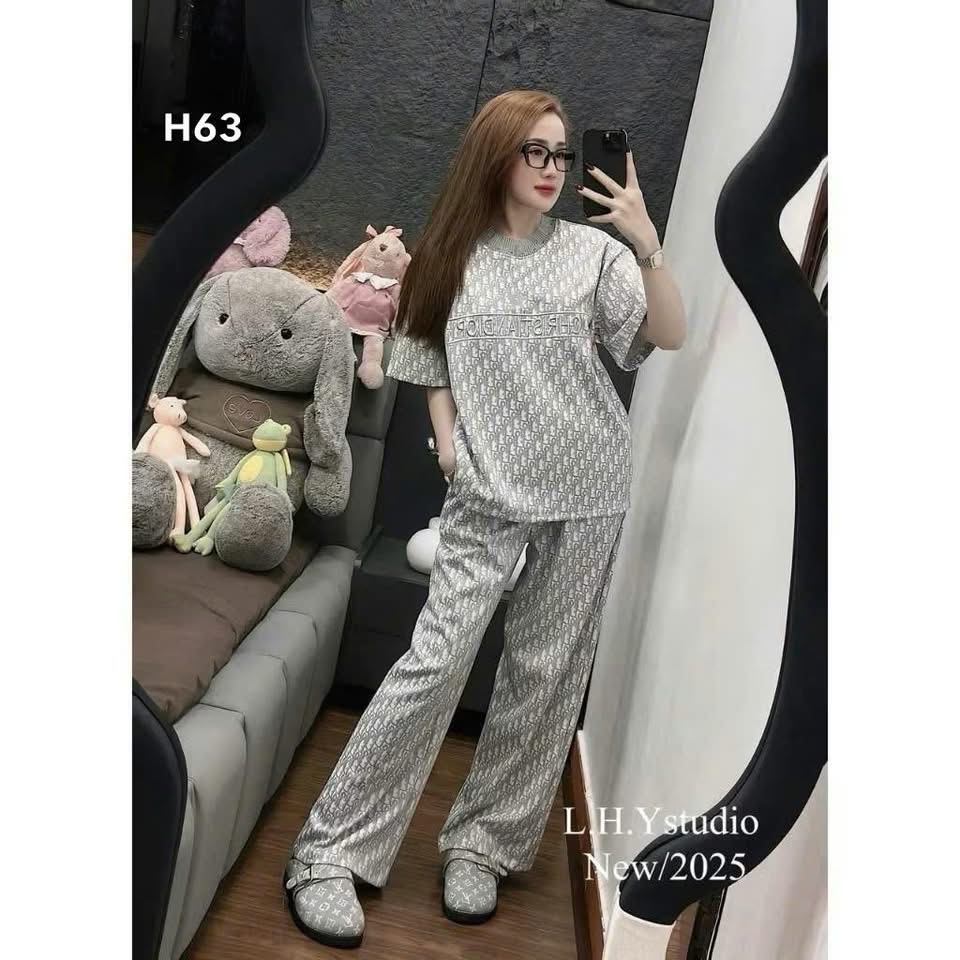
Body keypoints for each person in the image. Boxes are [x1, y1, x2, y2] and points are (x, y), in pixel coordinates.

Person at [283, 89, 686, 948]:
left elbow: (670, 333)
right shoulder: (448, 256)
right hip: (487, 492)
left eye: (561, 154)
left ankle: (484, 845)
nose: (552, 169)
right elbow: (424, 353)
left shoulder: (593, 254)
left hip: (589, 490)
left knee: (543, 676)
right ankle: (330, 851)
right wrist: (447, 443)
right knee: (433, 665)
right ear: (495, 155)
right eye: (534, 151)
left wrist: (645, 240)